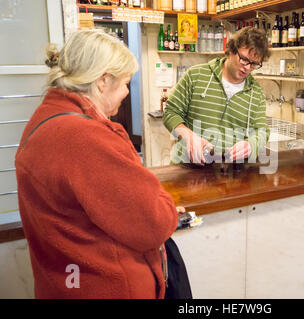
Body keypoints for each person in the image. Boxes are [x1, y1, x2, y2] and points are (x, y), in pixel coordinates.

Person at [15, 29, 182, 299]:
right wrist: (162, 200)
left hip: (63, 284)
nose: (127, 92)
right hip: (106, 288)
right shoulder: (86, 138)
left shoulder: (43, 120)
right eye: (126, 83)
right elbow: (155, 222)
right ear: (103, 81)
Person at [163, 26, 271, 165]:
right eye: (244, 60)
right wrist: (188, 137)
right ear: (231, 50)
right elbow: (170, 112)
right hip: (186, 169)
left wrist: (251, 145)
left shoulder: (256, 93)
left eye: (254, 64)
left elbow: (261, 131)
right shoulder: (196, 75)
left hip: (228, 176)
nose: (248, 67)